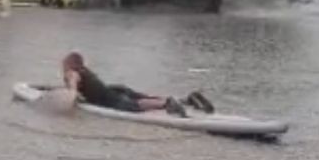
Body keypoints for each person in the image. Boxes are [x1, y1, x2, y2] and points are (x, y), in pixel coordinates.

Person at [61, 52, 213, 117]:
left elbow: (72, 90)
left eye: (64, 64)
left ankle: (167, 103)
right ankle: (187, 100)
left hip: (110, 98)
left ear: (69, 65)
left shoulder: (71, 73)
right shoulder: (85, 70)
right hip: (116, 89)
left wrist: (68, 106)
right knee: (142, 98)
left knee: (135, 105)